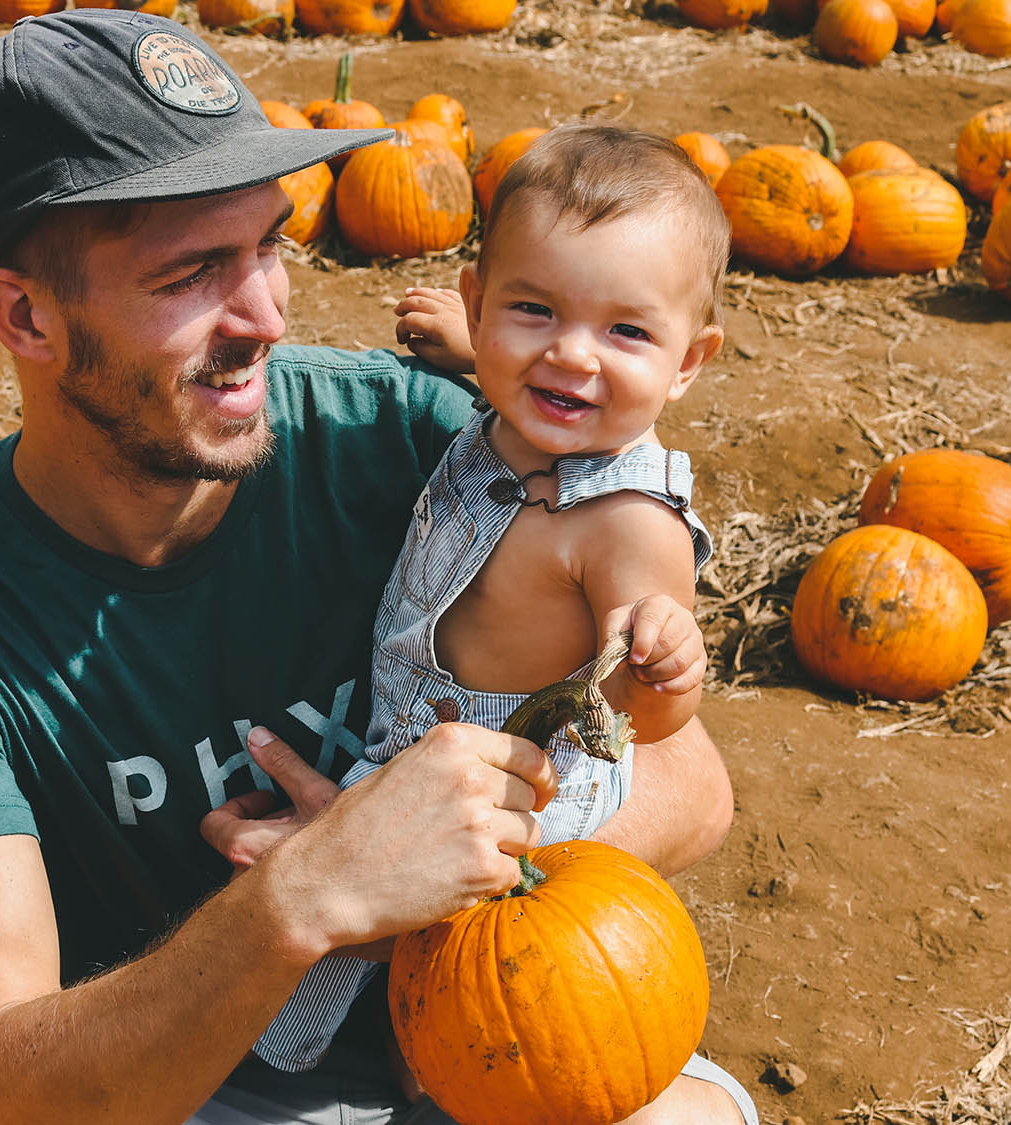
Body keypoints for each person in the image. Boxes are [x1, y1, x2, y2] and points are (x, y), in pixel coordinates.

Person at [0, 9, 753, 1123]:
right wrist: (308, 896)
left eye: (268, 244)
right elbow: (12, 1087)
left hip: (486, 1037)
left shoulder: (413, 439)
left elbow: (690, 788)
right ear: (24, 315)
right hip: (190, 1092)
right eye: (192, 273)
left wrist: (440, 880)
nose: (265, 313)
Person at [252, 124, 735, 1086]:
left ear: (689, 361)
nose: (573, 356)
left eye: (627, 332)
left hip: (526, 782)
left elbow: (646, 718)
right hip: (425, 739)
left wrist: (667, 656)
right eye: (533, 309)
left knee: (469, 976)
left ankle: (438, 1069)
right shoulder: (527, 413)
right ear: (480, 304)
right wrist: (475, 351)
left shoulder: (629, 519)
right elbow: (538, 386)